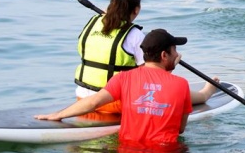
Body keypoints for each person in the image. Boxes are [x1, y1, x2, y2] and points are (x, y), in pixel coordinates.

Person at [36, 29, 220, 147]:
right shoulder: (180, 85)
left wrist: (58, 114)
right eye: (174, 51)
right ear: (165, 55)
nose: (177, 54)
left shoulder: (123, 78)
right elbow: (179, 129)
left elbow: (92, 102)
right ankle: (208, 90)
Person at [74, 0, 145, 113]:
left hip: (82, 99)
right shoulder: (136, 35)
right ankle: (198, 95)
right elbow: (151, 76)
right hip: (115, 104)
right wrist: (170, 64)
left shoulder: (92, 22)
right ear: (136, 10)